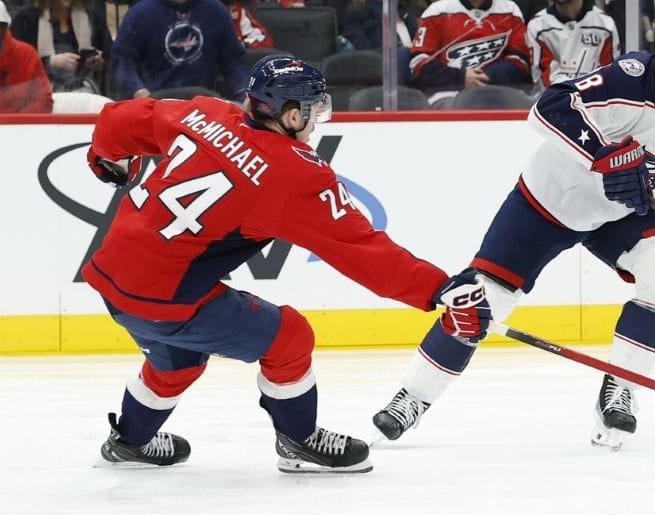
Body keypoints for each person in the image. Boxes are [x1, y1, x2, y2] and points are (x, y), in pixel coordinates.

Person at [372, 5, 655, 452]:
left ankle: (622, 387)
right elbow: (548, 107)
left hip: (620, 213)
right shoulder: (627, 77)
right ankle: (413, 396)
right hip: (547, 201)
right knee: (487, 299)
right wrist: (602, 154)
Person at [85, 55, 491, 473]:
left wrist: (104, 157)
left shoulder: (205, 111)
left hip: (111, 278)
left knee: (178, 356)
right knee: (289, 338)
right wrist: (438, 288)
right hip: (167, 298)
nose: (317, 120)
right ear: (292, 114)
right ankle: (299, 440)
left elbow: (120, 119)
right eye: (314, 109)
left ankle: (130, 441)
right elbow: (362, 249)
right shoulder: (294, 173)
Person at [110, 0, 248, 100]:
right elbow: (123, 65)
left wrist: (247, 95)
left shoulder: (216, 10)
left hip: (203, 107)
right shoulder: (139, 14)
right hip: (154, 105)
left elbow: (234, 63)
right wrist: (139, 92)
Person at [408, 0, 532, 90]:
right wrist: (461, 78)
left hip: (497, 89)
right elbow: (419, 63)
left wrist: (489, 75)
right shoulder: (436, 11)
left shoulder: (511, 10)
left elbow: (521, 60)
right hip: (448, 92)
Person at [9, 0, 113, 93]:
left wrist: (97, 62)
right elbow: (15, 62)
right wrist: (49, 62)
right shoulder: (25, 19)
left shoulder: (93, 18)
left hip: (83, 90)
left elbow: (110, 57)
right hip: (39, 93)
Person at [526, 0, 618, 90]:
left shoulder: (605, 24)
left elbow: (609, 75)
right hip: (554, 100)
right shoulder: (537, 26)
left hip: (595, 99)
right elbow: (543, 77)